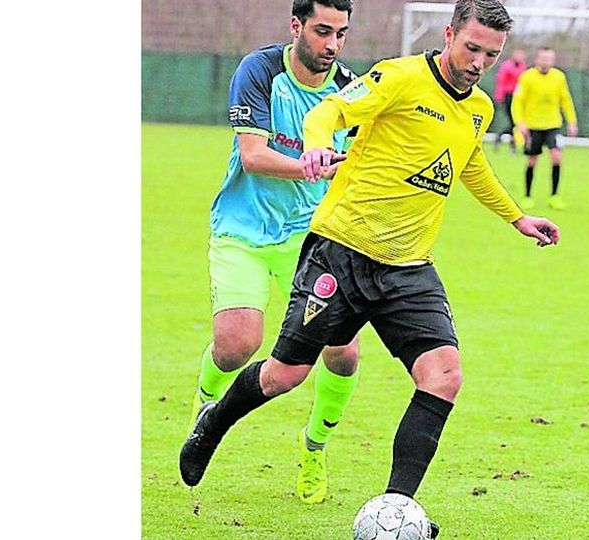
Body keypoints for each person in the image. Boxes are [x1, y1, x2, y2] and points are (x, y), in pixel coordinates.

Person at [179, 0, 560, 535]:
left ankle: (396, 509)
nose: (478, 62)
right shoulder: (397, 77)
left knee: (443, 377)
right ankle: (212, 422)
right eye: (471, 47)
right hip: (343, 250)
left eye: (490, 55)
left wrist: (516, 217)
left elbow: (470, 162)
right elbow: (328, 112)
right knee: (286, 374)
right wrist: (313, 149)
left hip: (409, 267)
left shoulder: (478, 108)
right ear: (449, 33)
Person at [188, 0, 361, 505]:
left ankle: (314, 448)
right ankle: (205, 409)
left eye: (342, 34)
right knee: (238, 345)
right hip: (242, 228)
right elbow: (253, 155)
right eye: (323, 31)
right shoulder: (259, 70)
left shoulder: (349, 89)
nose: (332, 45)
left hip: (310, 237)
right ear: (296, 26)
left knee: (344, 353)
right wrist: (314, 166)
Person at [511, 46, 578, 210]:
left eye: (550, 59)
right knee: (532, 160)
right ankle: (527, 196)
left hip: (553, 125)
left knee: (556, 157)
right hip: (533, 126)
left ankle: (554, 196)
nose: (547, 62)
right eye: (544, 58)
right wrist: (520, 123)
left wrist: (572, 121)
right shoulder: (527, 77)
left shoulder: (559, 77)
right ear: (537, 59)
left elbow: (565, 100)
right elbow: (517, 101)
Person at [492, 48, 526, 153]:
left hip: (518, 96)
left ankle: (503, 139)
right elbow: (500, 81)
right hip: (508, 96)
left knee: (515, 123)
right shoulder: (507, 66)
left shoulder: (523, 67)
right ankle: (510, 144)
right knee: (513, 122)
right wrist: (499, 96)